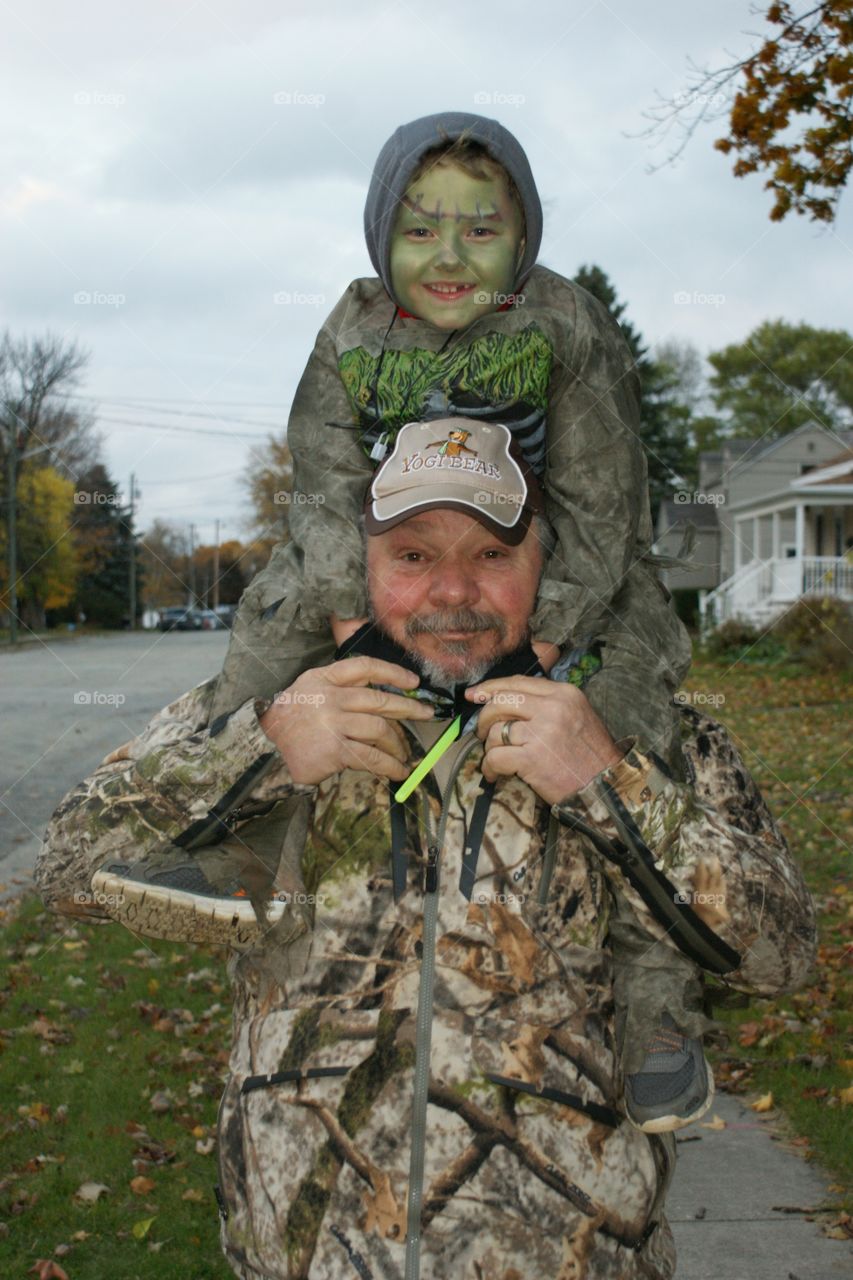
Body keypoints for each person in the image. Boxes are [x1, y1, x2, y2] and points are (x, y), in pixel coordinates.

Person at [35, 430, 816, 1280]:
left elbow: (779, 957)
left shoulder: (648, 733)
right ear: (357, 571)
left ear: (549, 574)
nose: (452, 590)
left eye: (492, 554)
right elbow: (68, 877)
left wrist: (607, 783)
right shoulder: (264, 704)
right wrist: (259, 754)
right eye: (411, 555)